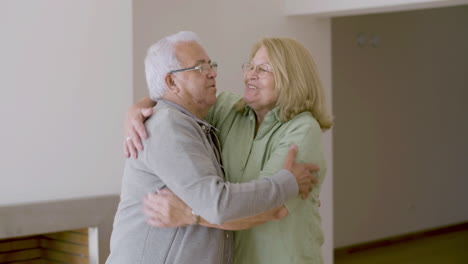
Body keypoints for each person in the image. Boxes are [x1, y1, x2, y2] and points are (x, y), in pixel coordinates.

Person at [107, 31, 318, 264]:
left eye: (264, 69)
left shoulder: (217, 113)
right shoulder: (173, 123)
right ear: (172, 81)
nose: (213, 72)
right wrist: (288, 181)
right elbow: (217, 203)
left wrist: (189, 214)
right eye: (200, 68)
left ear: (290, 79)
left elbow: (275, 209)